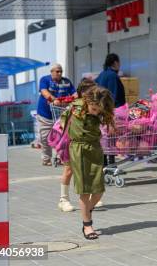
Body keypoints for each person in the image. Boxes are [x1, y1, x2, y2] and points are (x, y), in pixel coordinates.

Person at [61, 86, 115, 240]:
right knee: (85, 190)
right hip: (78, 149)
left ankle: (86, 211)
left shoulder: (101, 111)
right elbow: (62, 126)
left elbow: (108, 118)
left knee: (98, 190)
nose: (96, 112)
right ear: (87, 101)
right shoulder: (75, 107)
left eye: (99, 109)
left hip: (95, 149)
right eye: (93, 108)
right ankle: (87, 225)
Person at [57, 78, 103, 212]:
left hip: (85, 143)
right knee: (69, 169)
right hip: (70, 141)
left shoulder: (92, 106)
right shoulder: (75, 106)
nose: (93, 94)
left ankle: (92, 195)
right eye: (90, 92)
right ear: (82, 92)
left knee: (87, 168)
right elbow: (64, 121)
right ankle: (63, 199)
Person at [36, 63, 76, 166]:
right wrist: (54, 99)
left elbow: (74, 93)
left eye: (61, 71)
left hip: (60, 114)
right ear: (52, 72)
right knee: (45, 138)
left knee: (61, 137)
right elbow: (44, 92)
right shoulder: (45, 79)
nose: (59, 73)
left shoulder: (66, 82)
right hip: (45, 114)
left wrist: (75, 98)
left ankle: (60, 157)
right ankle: (46, 158)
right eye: (57, 71)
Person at [96, 53, 125, 166]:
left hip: (101, 110)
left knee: (104, 137)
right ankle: (110, 164)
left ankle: (105, 164)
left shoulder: (102, 74)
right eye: (119, 63)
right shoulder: (112, 76)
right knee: (110, 137)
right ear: (115, 63)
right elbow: (113, 94)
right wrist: (112, 112)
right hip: (110, 110)